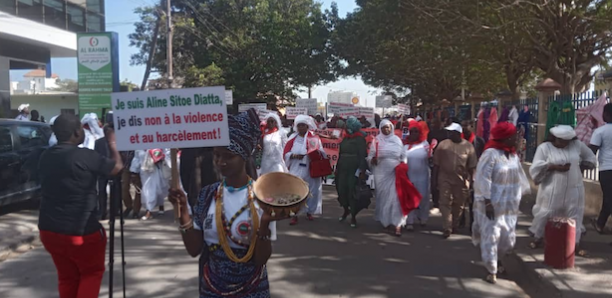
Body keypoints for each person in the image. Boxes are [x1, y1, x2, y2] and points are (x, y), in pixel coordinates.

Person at [168, 109, 283, 298]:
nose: (220, 162)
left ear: (244, 156)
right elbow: (194, 249)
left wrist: (264, 225)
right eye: (216, 155)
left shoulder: (262, 197)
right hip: (212, 288)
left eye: (228, 156)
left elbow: (260, 259)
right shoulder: (207, 195)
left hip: (252, 289)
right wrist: (183, 214)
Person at [38, 114, 123, 298]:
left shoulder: (45, 156)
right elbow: (116, 168)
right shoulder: (85, 156)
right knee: (90, 273)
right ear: (77, 132)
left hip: (49, 230)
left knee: (67, 277)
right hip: (81, 232)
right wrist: (112, 143)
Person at [472, 122, 530, 284]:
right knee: (492, 235)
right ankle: (492, 268)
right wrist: (487, 202)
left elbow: (519, 176)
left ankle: (498, 259)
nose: (517, 138)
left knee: (508, 239)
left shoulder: (513, 155)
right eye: (514, 136)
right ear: (506, 138)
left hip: (509, 205)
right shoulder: (490, 154)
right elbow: (483, 178)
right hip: (493, 204)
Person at [529, 125, 596, 254]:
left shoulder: (577, 145)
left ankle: (574, 243)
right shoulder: (544, 148)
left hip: (574, 187)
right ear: (554, 139)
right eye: (561, 141)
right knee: (547, 212)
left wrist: (581, 166)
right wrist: (552, 166)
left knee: (574, 214)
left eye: (567, 141)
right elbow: (536, 167)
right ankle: (538, 237)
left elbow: (590, 158)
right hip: (552, 188)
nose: (565, 144)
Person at [433, 122, 477, 239]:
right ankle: (447, 226)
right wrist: (434, 180)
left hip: (461, 179)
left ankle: (454, 223)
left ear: (458, 133)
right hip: (444, 177)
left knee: (459, 204)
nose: (449, 134)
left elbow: (472, 167)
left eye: (452, 132)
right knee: (445, 201)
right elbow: (436, 164)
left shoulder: (468, 147)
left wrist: (472, 182)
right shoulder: (443, 145)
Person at [284, 115, 326, 225]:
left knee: (312, 191)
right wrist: (293, 156)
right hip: (296, 168)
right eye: (299, 125)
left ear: (307, 126)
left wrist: (314, 153)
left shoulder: (314, 138)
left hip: (310, 168)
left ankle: (309, 212)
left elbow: (322, 153)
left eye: (303, 125)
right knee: (295, 191)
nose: (301, 128)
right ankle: (295, 214)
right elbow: (285, 153)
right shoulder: (292, 138)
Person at [368, 119, 406, 236]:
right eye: (384, 127)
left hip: (395, 173)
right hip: (381, 173)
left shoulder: (397, 140)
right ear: (380, 129)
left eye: (388, 127)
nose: (386, 129)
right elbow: (370, 156)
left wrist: (402, 167)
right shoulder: (377, 140)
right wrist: (372, 160)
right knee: (384, 198)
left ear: (392, 128)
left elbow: (403, 156)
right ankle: (386, 223)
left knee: (396, 198)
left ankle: (397, 224)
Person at [336, 116, 368, 228]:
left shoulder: (360, 139)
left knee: (352, 192)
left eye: (347, 125)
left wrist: (361, 170)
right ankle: (346, 209)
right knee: (341, 190)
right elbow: (340, 153)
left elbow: (362, 155)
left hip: (353, 169)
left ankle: (353, 216)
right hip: (342, 168)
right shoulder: (346, 138)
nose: (345, 127)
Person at [459, 119, 486, 229]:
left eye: (467, 125)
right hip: (461, 173)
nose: (465, 128)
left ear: (472, 126)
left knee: (473, 199)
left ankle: (472, 222)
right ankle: (461, 220)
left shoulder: (479, 141)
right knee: (461, 198)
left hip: (475, 173)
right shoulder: (459, 141)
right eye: (463, 126)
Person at [590, 103, 612, 238]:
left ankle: (600, 223)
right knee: (609, 199)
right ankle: (600, 223)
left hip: (606, 169)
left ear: (607, 115)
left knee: (608, 198)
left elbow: (592, 151)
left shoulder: (600, 131)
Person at [130, 148, 171, 220]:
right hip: (145, 172)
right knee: (147, 191)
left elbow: (167, 153)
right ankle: (149, 211)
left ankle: (161, 206)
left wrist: (160, 156)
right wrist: (134, 171)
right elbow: (136, 158)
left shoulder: (159, 142)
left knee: (160, 189)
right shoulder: (139, 146)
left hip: (158, 170)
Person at [404, 120, 431, 230]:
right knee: (410, 198)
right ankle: (410, 220)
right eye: (412, 131)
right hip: (409, 176)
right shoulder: (405, 145)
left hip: (422, 176)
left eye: (416, 131)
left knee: (423, 197)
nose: (414, 134)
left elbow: (430, 159)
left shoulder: (425, 145)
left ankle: (423, 217)